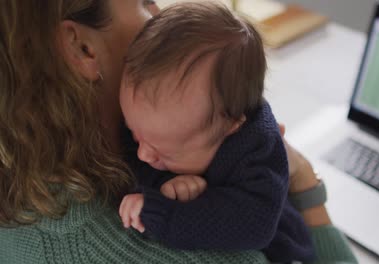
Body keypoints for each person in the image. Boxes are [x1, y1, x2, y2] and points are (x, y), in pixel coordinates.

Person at [0, 1, 358, 263]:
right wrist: (306, 186)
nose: (157, 13)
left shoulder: (17, 191)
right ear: (82, 48)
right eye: (144, 1)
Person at [118, 2, 312, 263]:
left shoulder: (257, 148)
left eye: (165, 151)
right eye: (134, 133)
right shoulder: (160, 126)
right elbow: (134, 160)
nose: (142, 153)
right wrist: (160, 182)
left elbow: (252, 224)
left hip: (282, 251)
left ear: (231, 126)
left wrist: (162, 213)